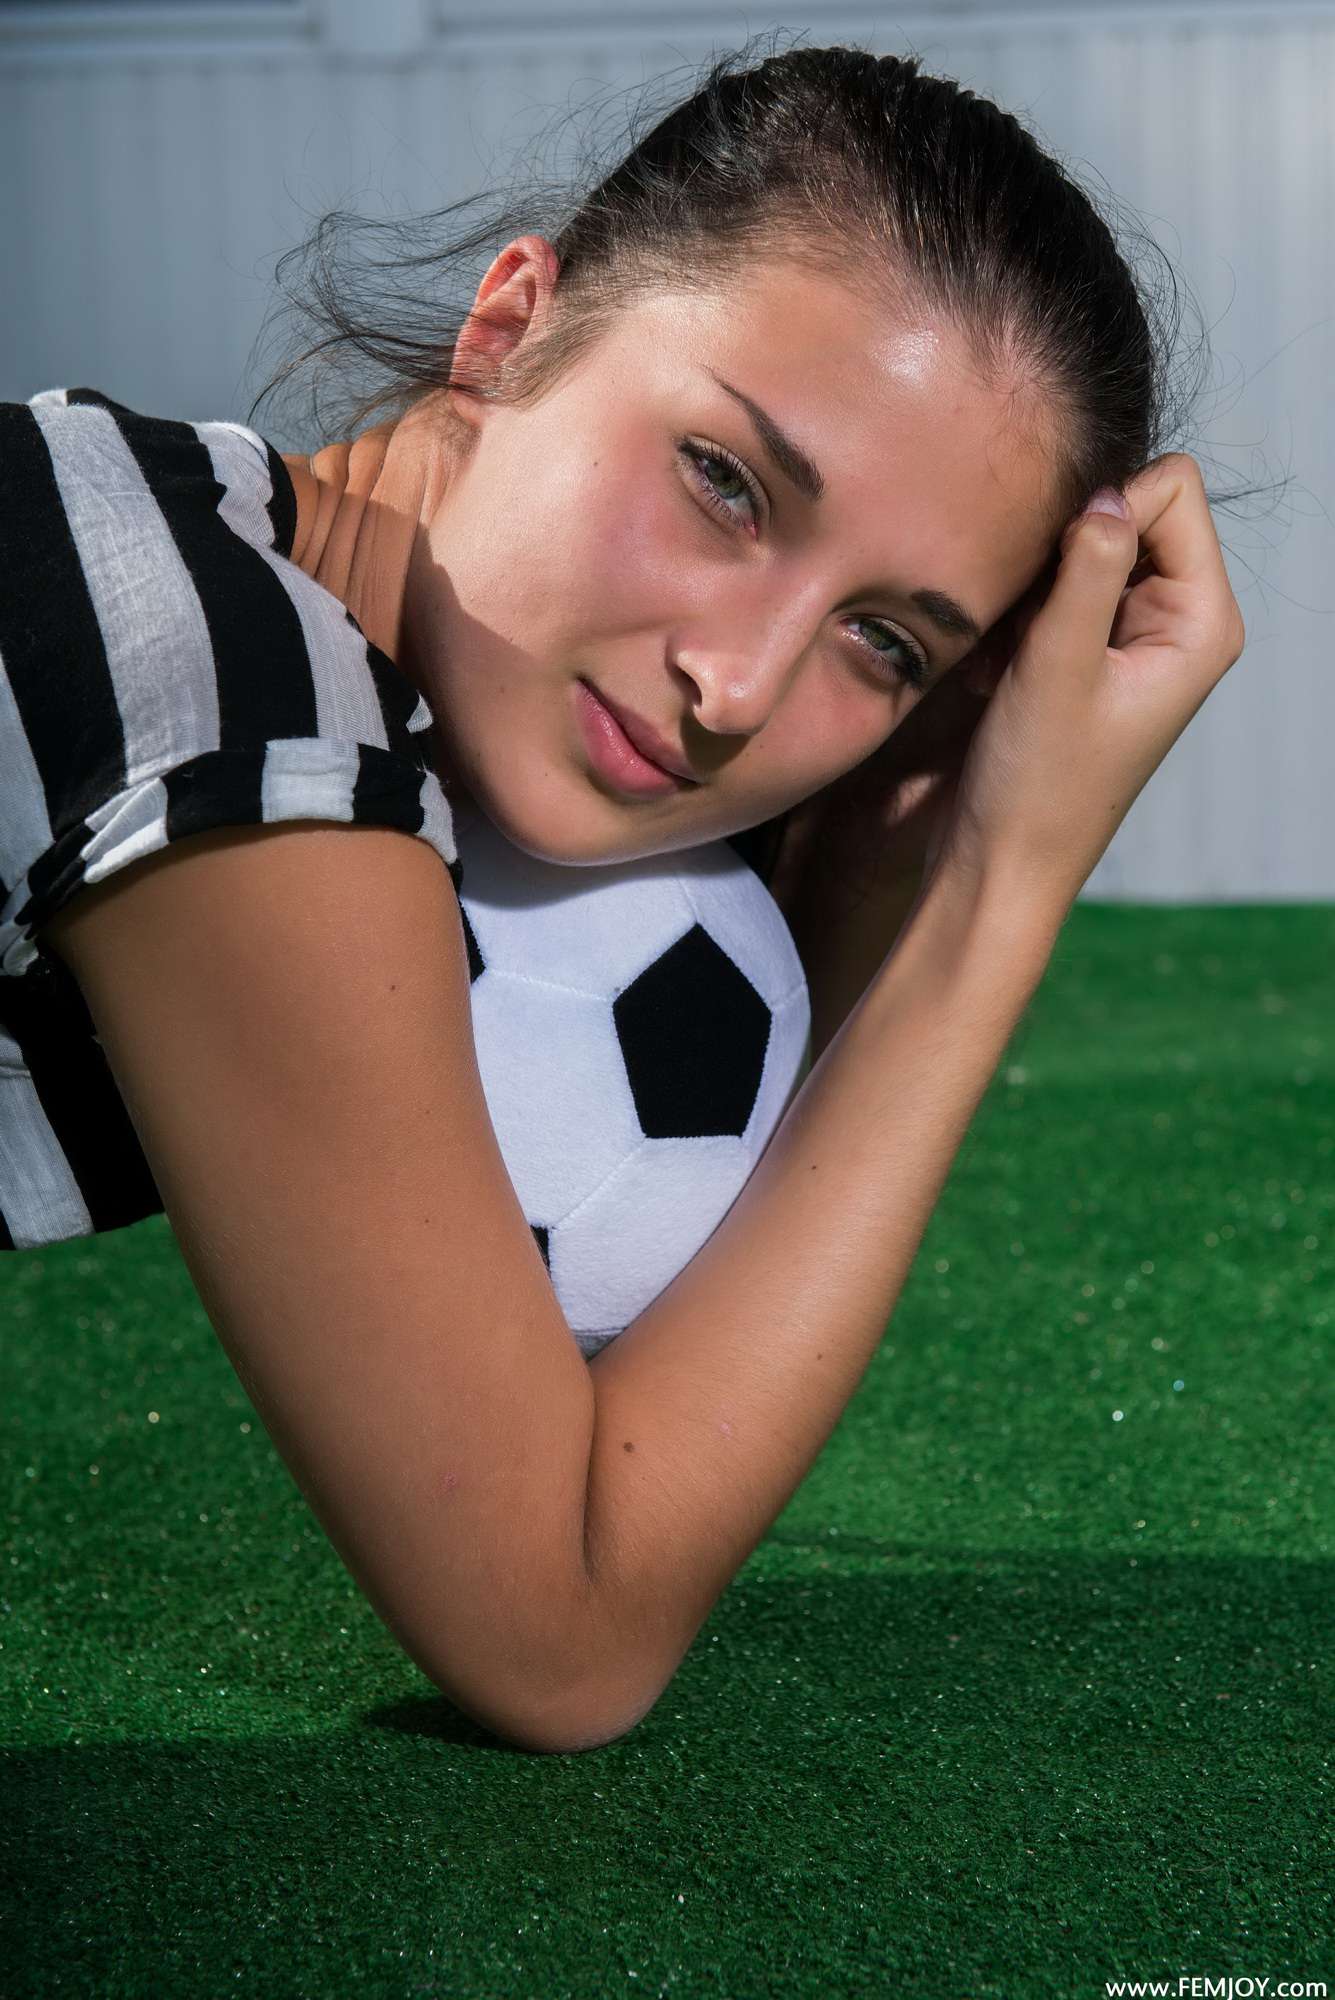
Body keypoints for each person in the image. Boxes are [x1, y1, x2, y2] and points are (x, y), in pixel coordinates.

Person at [2, 42, 1245, 1753]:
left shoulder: (202, 569)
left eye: (883, 641)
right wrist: (1001, 889)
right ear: (511, 327)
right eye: (725, 482)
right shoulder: (228, 702)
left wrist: (880, 860)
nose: (738, 686)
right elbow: (560, 1634)